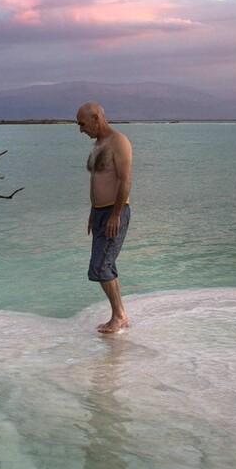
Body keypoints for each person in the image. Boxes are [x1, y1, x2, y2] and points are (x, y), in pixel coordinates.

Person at [77, 101, 133, 334]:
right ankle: (120, 315)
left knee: (100, 267)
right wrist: (93, 212)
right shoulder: (98, 144)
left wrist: (115, 215)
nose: (80, 129)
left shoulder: (118, 142)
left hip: (114, 212)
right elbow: (96, 181)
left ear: (96, 118)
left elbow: (125, 180)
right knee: (106, 264)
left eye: (82, 124)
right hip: (100, 213)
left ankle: (119, 316)